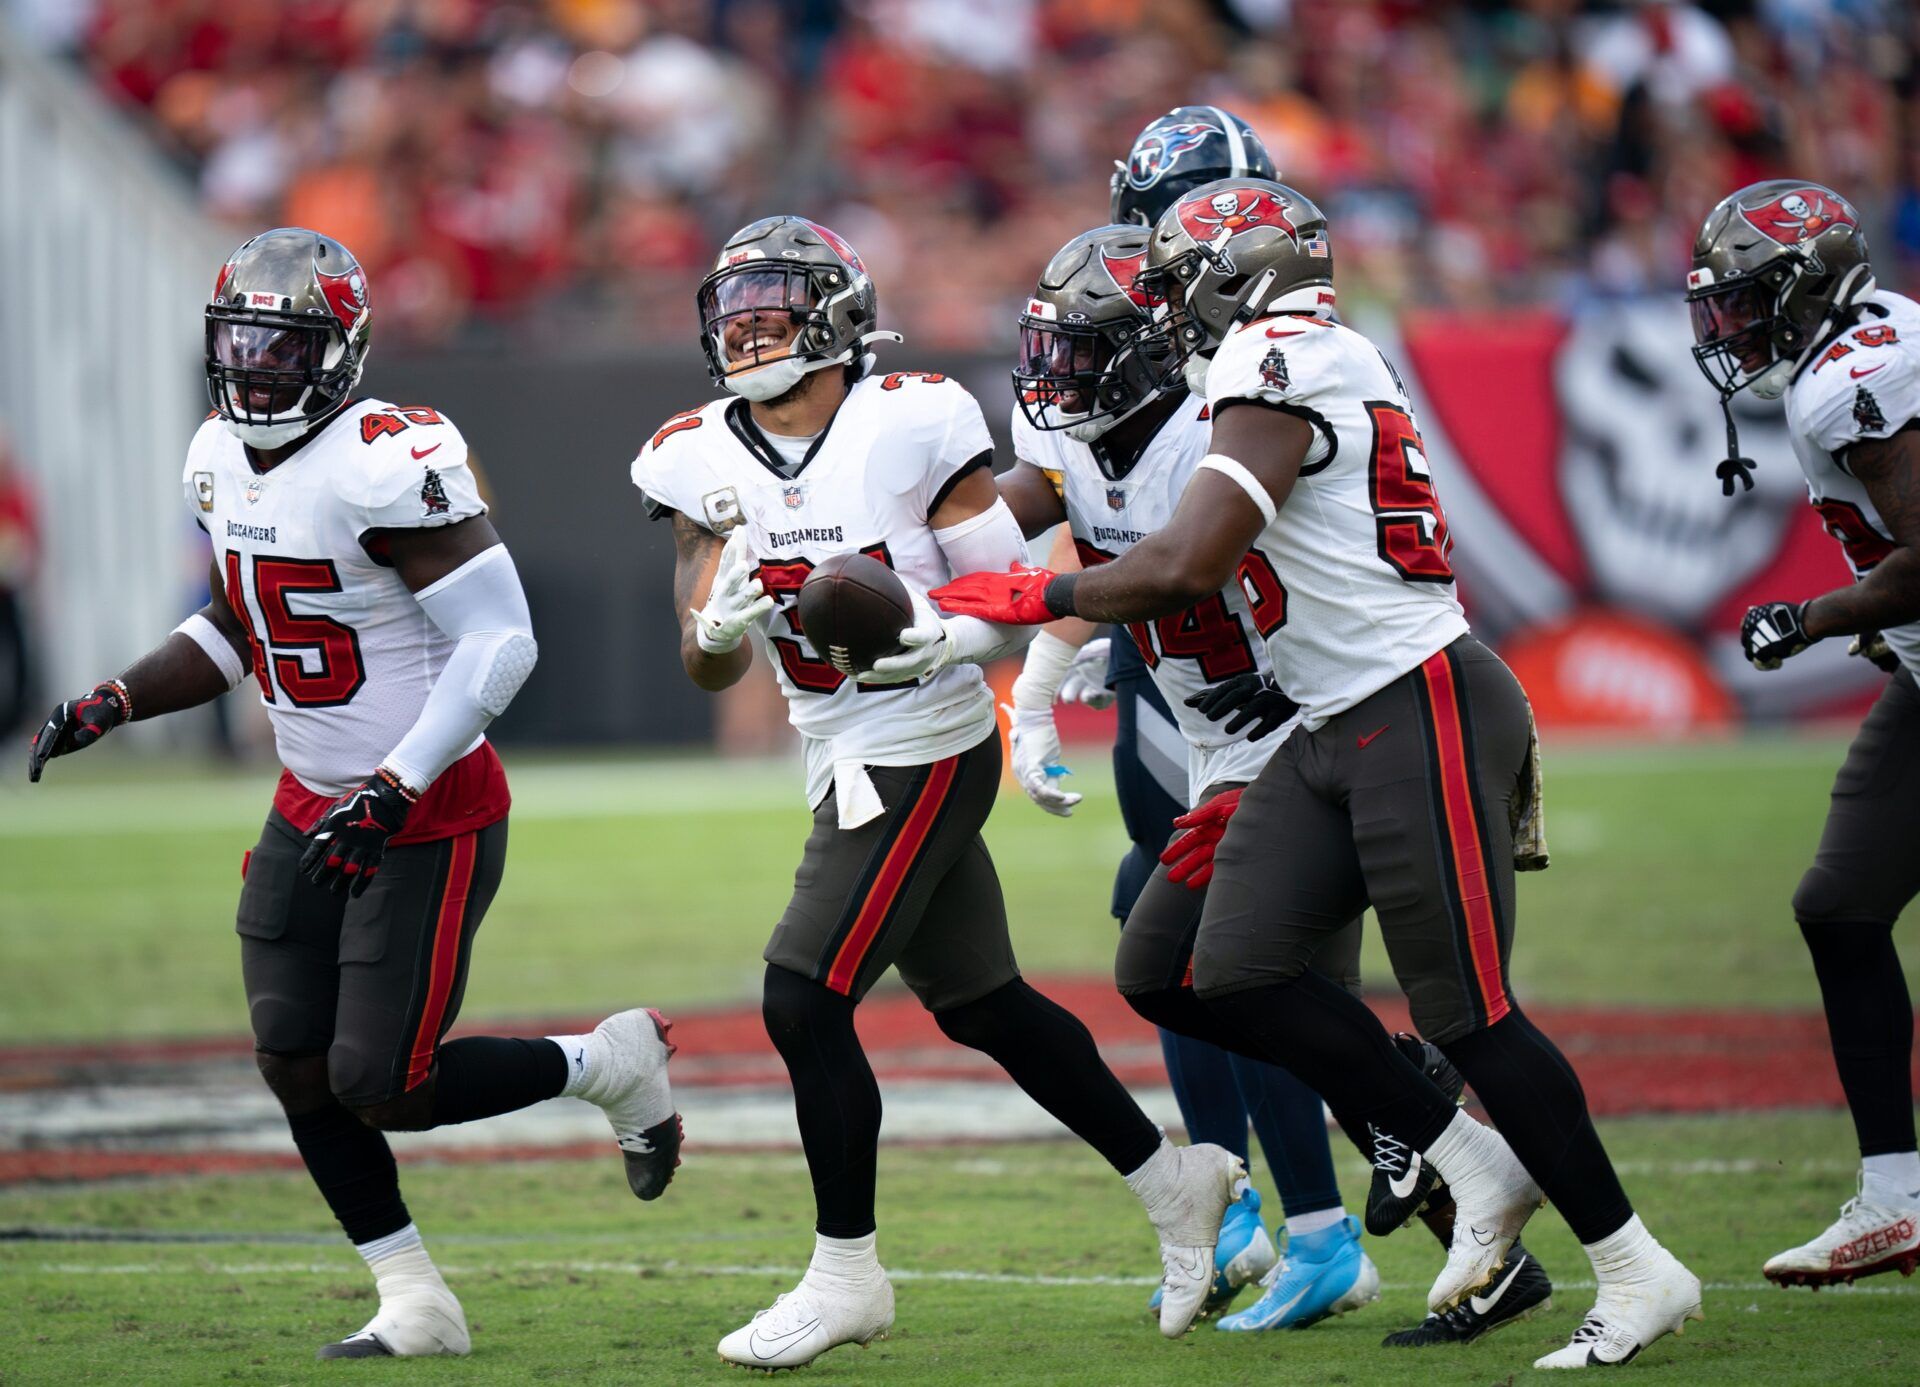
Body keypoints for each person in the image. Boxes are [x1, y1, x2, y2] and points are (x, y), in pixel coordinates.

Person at [934, 178, 1701, 1370]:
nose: (1176, 312)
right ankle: (1466, 1157)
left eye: (1186, 283)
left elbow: (1188, 563)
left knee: (1470, 1014)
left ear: (1237, 280)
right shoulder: (1266, 366)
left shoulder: (1284, 358)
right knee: (1192, 961)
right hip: (1321, 725)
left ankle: (1635, 1262)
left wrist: (1043, 599)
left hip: (1416, 699)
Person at [26, 228, 680, 1361]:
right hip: (309, 797)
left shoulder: (389, 458)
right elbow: (247, 625)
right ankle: (413, 1295)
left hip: (426, 806)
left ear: (340, 352)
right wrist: (117, 700)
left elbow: (503, 644)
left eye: (284, 348)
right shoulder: (218, 458)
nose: (256, 369)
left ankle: (610, 1062)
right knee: (290, 1053)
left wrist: (392, 785)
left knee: (383, 1080)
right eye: (241, 341)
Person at [630, 214, 1244, 1370]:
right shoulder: (691, 454)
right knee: (984, 1005)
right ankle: (1178, 1186)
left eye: (776, 299)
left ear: (839, 314)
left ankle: (846, 1272)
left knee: (802, 998)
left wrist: (937, 644)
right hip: (835, 750)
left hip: (922, 741)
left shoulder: (911, 419)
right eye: (734, 305)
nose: (749, 323)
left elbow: (1008, 591)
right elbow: (703, 659)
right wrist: (716, 626)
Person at [1690, 179, 1920, 1287]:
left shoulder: (1856, 377)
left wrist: (1813, 617)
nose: (1727, 326)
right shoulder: (1865, 347)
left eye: (1744, 300)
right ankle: (1899, 1197)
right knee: (1840, 904)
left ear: (1808, 281)